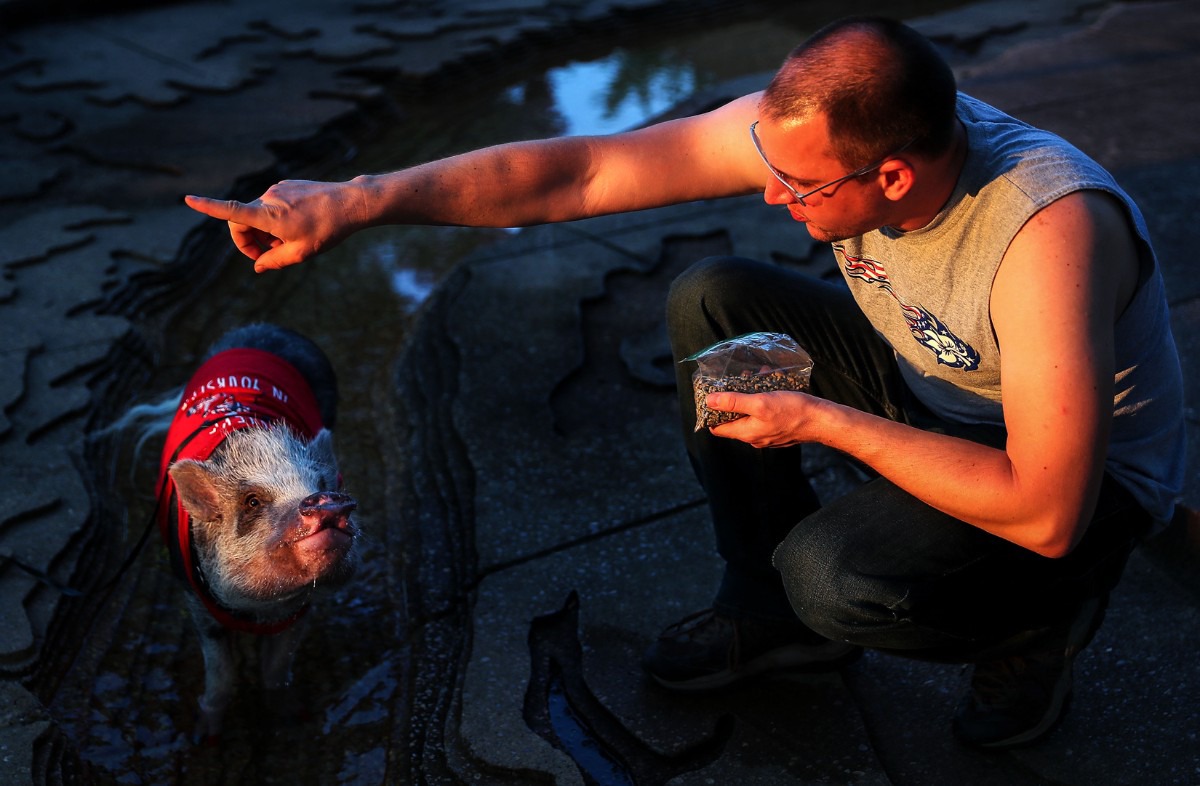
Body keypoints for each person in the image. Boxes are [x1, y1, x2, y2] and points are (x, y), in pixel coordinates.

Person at [185, 16, 1185, 749]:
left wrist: (824, 421)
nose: (772, 192)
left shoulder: (1047, 233)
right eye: (772, 167)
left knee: (838, 577)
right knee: (717, 301)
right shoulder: (826, 133)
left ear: (894, 177)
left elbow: (1045, 508)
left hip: (1066, 489)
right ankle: (765, 614)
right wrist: (358, 202)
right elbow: (579, 173)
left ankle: (1038, 627)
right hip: (932, 383)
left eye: (800, 187)